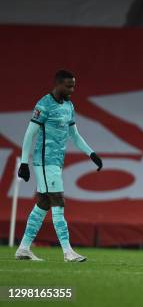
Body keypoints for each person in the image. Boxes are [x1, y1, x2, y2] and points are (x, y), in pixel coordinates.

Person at [15, 70, 103, 262]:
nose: (72, 90)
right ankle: (67, 252)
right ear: (58, 84)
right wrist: (23, 162)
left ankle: (23, 248)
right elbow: (29, 134)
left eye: (73, 86)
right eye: (68, 86)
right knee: (58, 201)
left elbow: (75, 136)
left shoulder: (69, 106)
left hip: (56, 162)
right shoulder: (44, 105)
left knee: (44, 203)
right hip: (45, 161)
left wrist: (91, 154)